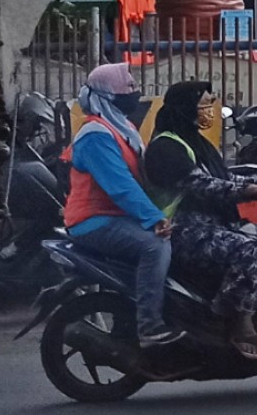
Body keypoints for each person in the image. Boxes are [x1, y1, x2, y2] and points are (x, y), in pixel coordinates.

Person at [142, 81, 257, 359]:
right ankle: (239, 322)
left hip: (214, 224)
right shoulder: (166, 147)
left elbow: (226, 178)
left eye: (210, 104)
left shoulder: (196, 142)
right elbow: (205, 186)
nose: (209, 111)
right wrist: (255, 192)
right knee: (249, 248)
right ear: (186, 108)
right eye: (204, 105)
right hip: (181, 230)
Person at [63, 64, 181, 347]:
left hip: (118, 216)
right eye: (128, 87)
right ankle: (149, 327)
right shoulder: (95, 134)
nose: (135, 91)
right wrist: (154, 218)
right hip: (94, 220)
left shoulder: (122, 126)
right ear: (108, 94)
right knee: (155, 246)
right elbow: (121, 187)